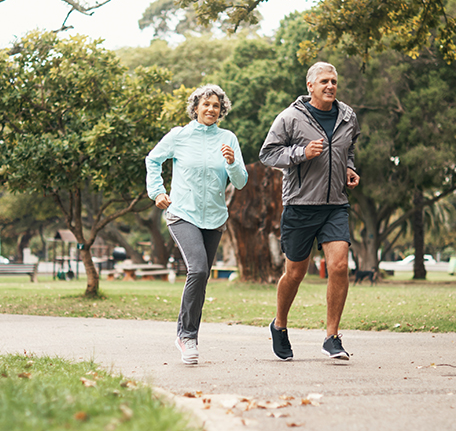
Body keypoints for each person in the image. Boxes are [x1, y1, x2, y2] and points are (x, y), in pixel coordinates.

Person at [260, 62, 360, 361]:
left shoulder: (348, 116)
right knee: (295, 273)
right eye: (324, 81)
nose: (330, 86)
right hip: (300, 206)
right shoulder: (290, 118)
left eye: (334, 81)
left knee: (339, 266)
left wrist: (350, 167)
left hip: (335, 205)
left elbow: (348, 147)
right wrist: (301, 153)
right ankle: (279, 325)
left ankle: (332, 336)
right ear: (310, 86)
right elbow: (268, 153)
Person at [145, 85, 248, 365]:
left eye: (216, 105)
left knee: (200, 279)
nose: (211, 109)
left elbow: (240, 181)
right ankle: (187, 336)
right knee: (199, 269)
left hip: (214, 219)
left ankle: (186, 333)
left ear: (221, 110)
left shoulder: (228, 139)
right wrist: (157, 191)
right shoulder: (179, 136)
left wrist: (231, 163)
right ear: (196, 107)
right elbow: (153, 159)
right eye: (206, 104)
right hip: (183, 213)